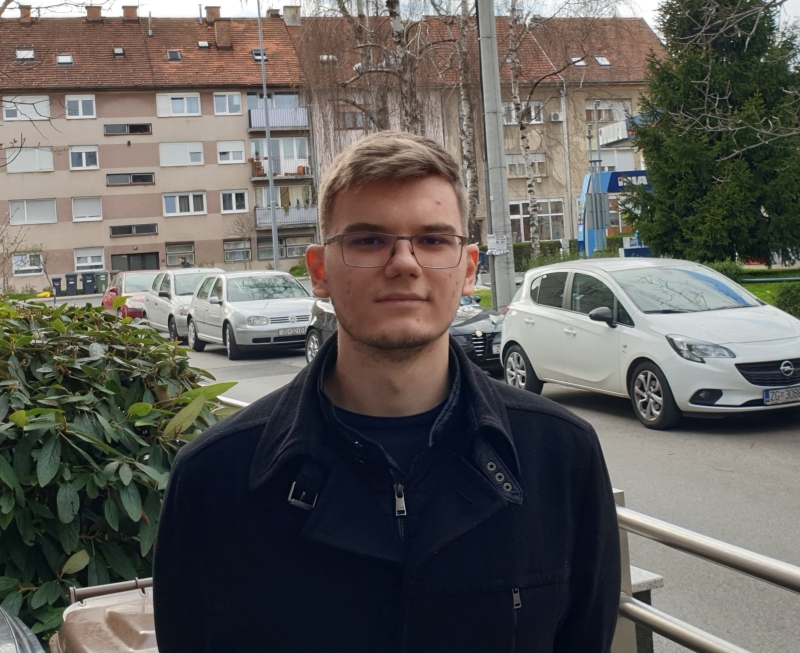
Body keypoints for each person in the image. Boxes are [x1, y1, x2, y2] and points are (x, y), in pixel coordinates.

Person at [153, 131, 621, 653]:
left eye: (433, 240)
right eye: (369, 241)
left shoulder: (560, 456)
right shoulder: (213, 480)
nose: (404, 263)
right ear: (319, 271)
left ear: (468, 269)